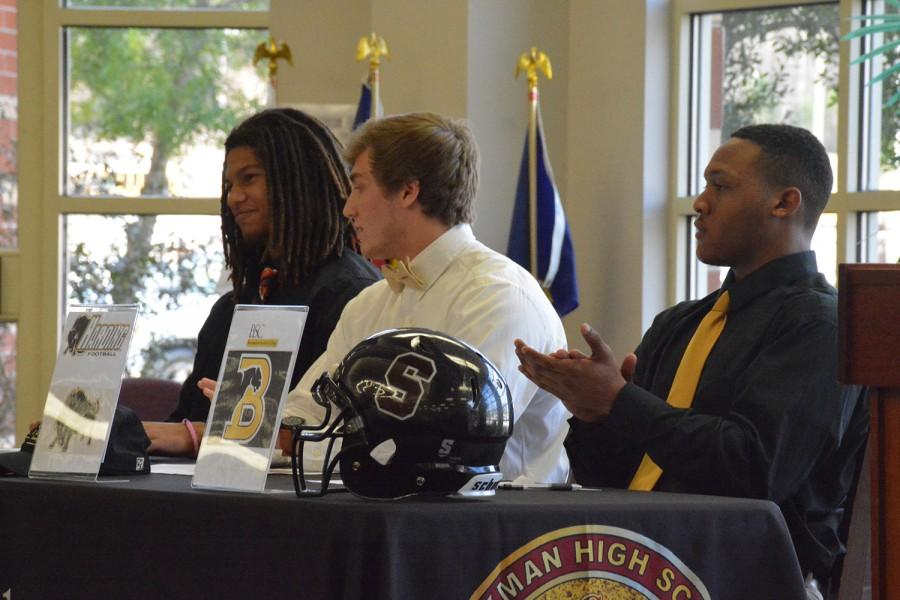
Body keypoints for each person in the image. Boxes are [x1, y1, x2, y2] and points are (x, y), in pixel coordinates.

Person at [515, 124, 868, 595]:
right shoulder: (680, 323)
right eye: (704, 186)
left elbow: (755, 470)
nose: (700, 203)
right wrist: (594, 413)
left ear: (784, 203)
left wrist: (622, 404)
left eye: (720, 187)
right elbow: (622, 479)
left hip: (750, 578)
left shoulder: (823, 326)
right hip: (638, 564)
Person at [207, 112, 570, 483]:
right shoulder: (369, 303)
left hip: (502, 527)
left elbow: (441, 444)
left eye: (359, 187)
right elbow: (309, 411)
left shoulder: (499, 298)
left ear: (408, 192)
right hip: (395, 510)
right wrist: (253, 421)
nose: (348, 209)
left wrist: (285, 439)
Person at [144, 108, 380, 455]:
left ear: (296, 181)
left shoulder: (350, 295)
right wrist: (108, 433)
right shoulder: (232, 307)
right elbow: (189, 421)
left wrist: (202, 436)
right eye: (229, 185)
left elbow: (332, 433)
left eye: (249, 178)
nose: (233, 198)